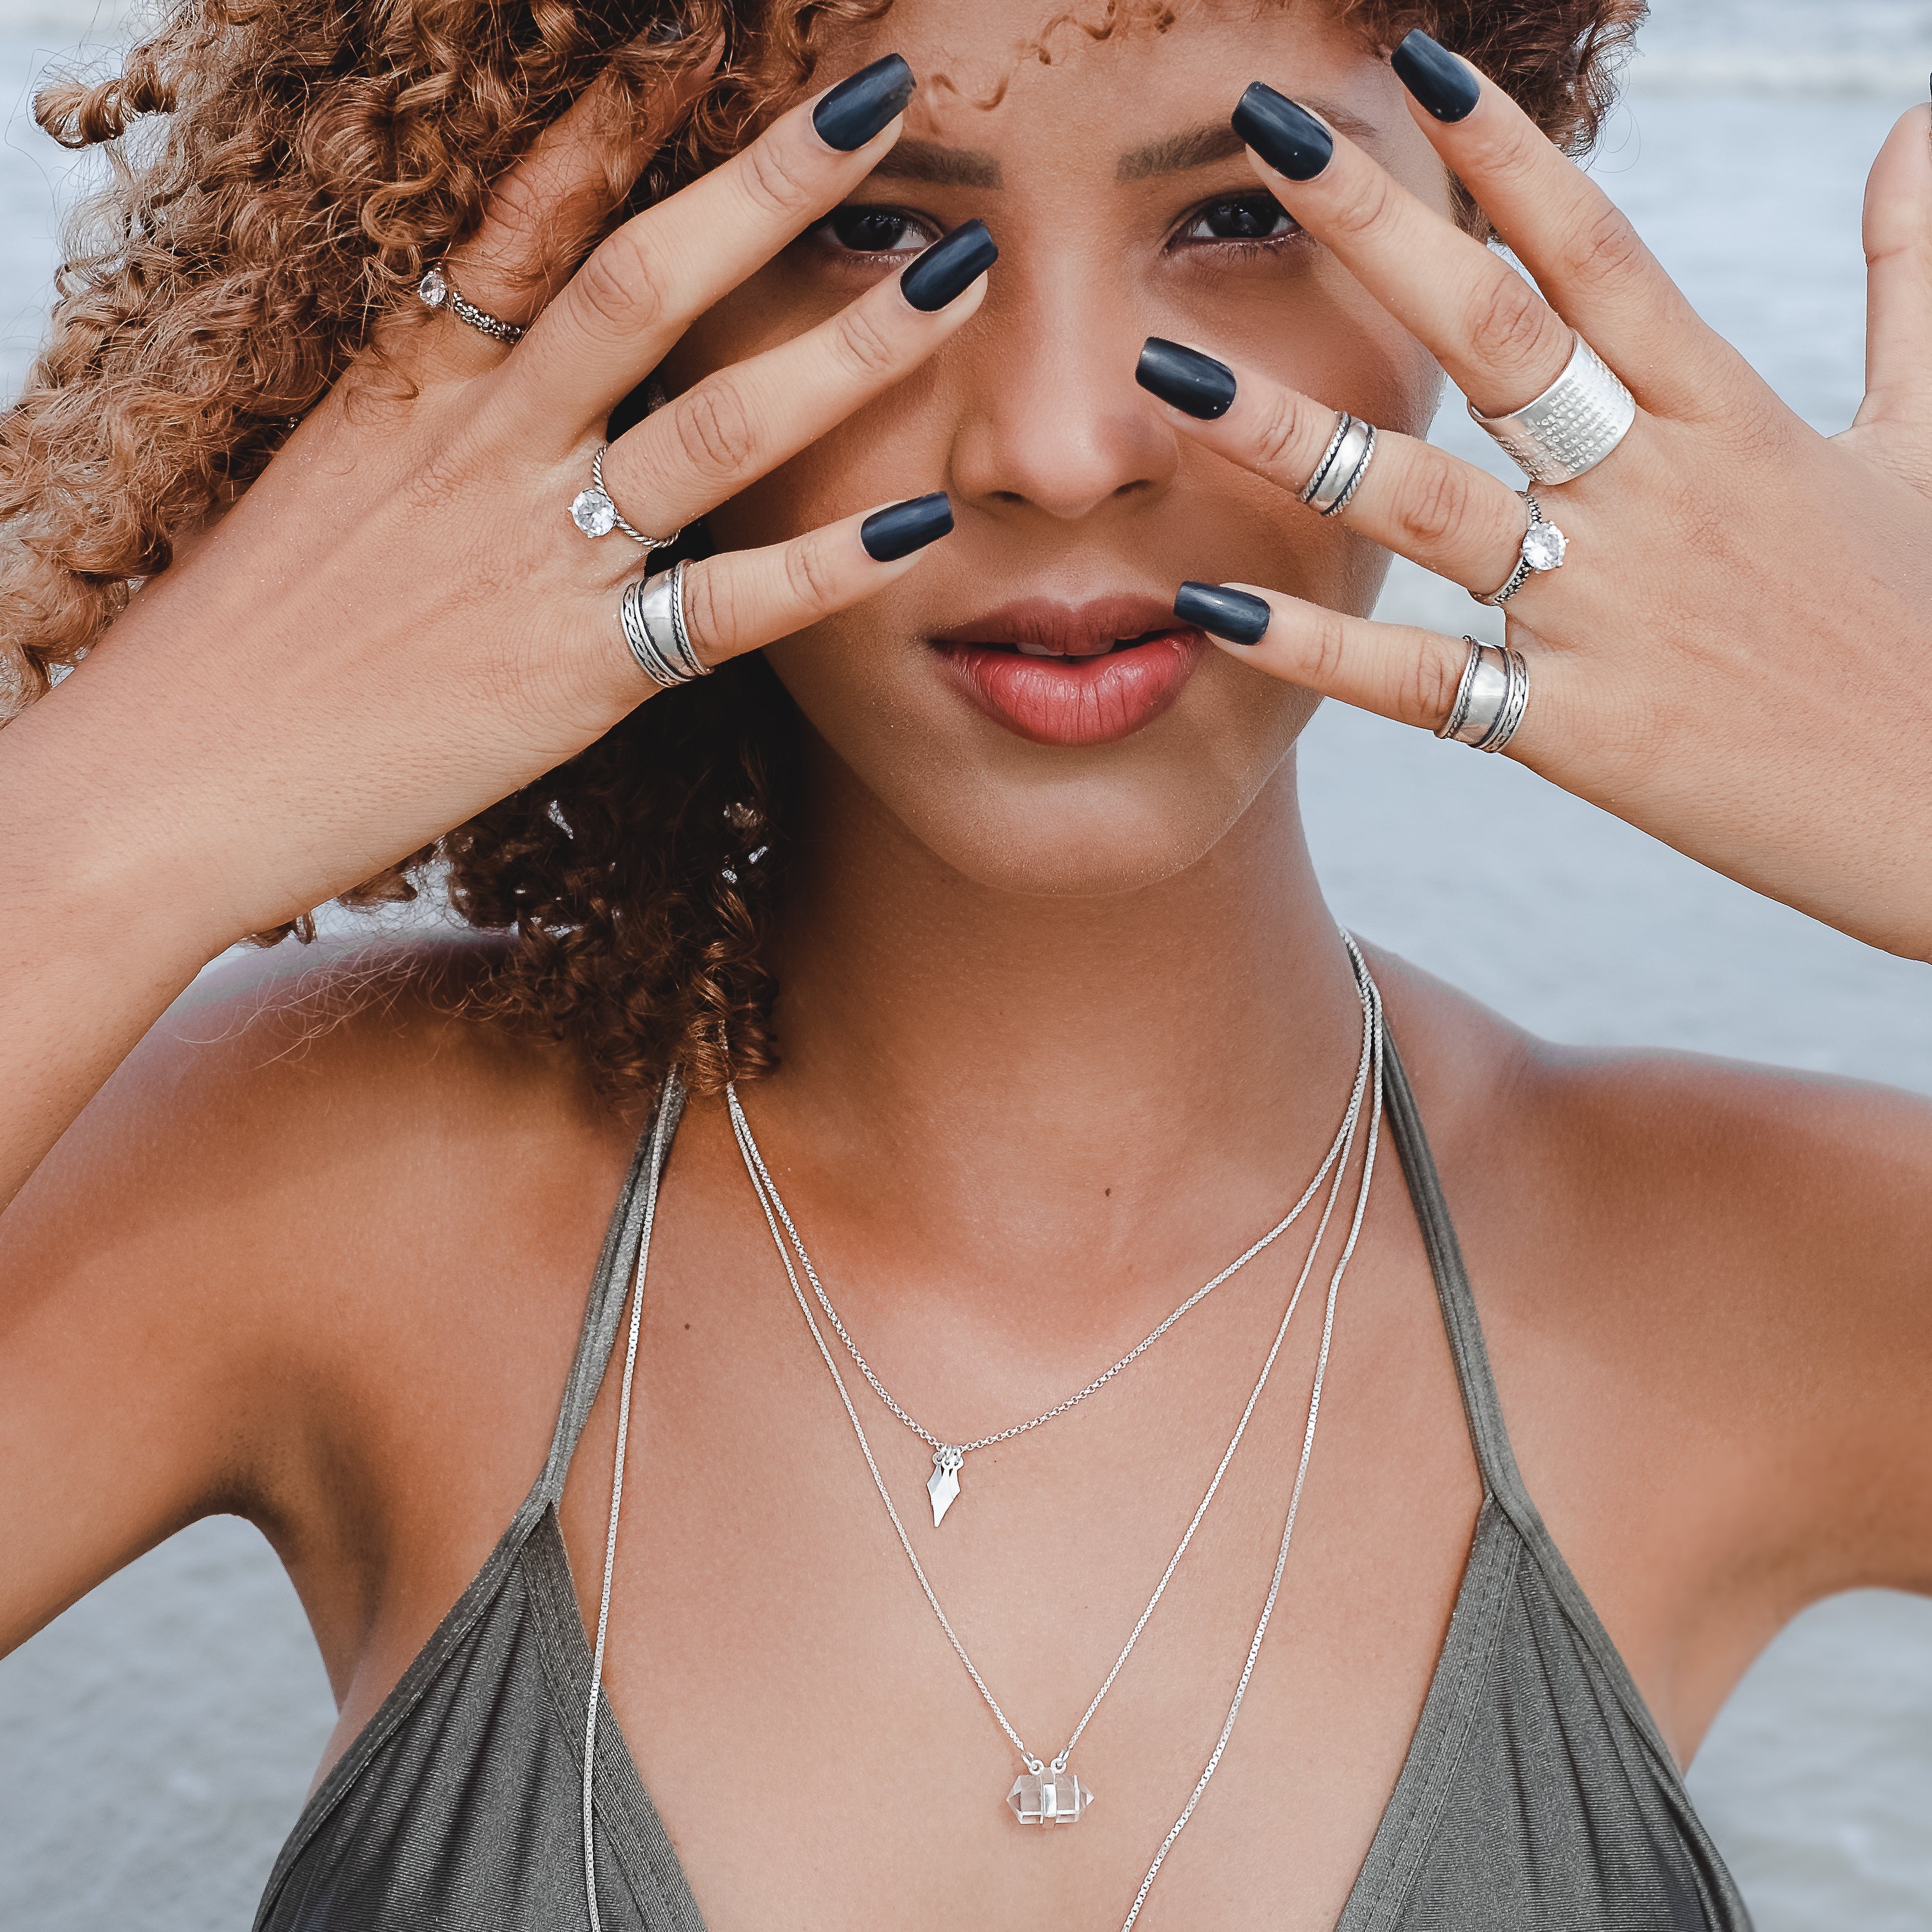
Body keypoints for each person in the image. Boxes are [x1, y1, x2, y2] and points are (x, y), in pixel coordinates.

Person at [2, 0, 1928, 1925]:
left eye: (1250, 211)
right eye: (866, 226)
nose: (1060, 447)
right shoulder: (304, 1196)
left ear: (1469, 254)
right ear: (630, 286)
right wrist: (105, 828)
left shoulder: (1770, 1274)